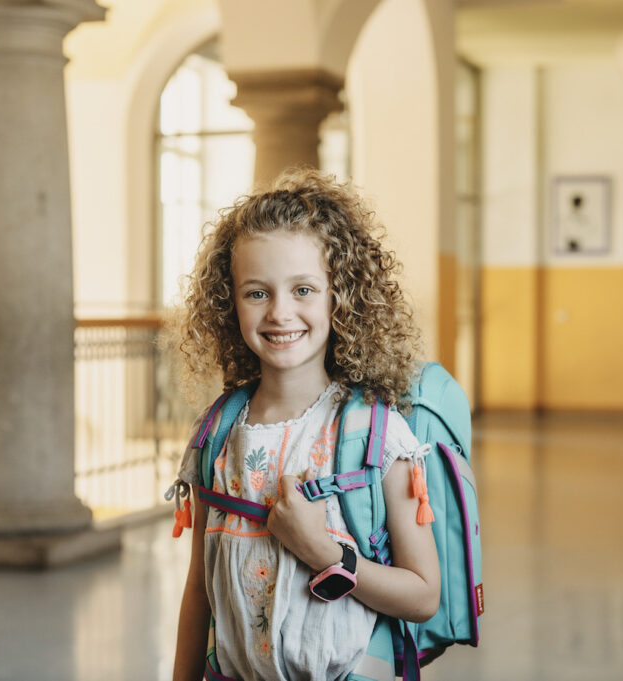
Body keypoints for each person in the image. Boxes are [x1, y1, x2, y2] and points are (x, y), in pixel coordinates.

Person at [168, 168, 440, 681]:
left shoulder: (375, 435)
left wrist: (322, 551)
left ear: (341, 296)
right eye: (256, 293)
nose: (280, 312)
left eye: (303, 289)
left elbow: (424, 595)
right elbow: (199, 587)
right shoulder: (217, 435)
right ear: (229, 301)